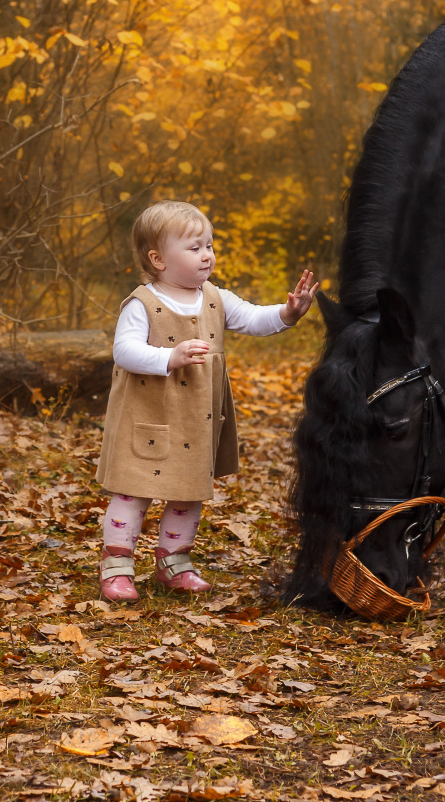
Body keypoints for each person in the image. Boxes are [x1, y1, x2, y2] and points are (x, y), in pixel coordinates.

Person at [96, 199, 318, 603]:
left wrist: (288, 313)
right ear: (158, 259)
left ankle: (174, 562)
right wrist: (169, 356)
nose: (207, 255)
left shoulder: (213, 297)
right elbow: (123, 351)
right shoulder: (141, 304)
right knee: (132, 490)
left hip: (194, 419)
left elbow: (253, 318)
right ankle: (117, 565)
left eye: (209, 245)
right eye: (194, 247)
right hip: (148, 416)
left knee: (187, 491)